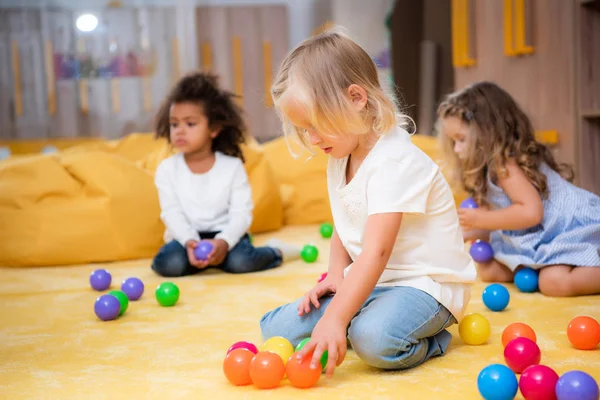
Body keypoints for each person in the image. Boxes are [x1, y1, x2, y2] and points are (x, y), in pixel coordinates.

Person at [259, 29, 477, 378]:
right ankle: (359, 314)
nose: (312, 139)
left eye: (316, 125)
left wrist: (335, 318)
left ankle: (433, 340)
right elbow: (346, 224)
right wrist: (334, 275)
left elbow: (376, 251)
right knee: (276, 330)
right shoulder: (340, 156)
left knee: (373, 341)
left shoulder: (395, 160)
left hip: (425, 286)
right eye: (304, 130)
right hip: (373, 282)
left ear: (357, 97)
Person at [438, 81, 600, 297]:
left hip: (568, 230)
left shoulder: (505, 164)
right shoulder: (490, 167)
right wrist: (463, 231)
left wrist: (480, 220)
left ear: (487, 133)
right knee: (490, 271)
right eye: (453, 141)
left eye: (461, 139)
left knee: (554, 283)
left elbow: (531, 213)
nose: (456, 149)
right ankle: (539, 267)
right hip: (541, 235)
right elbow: (506, 218)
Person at [151, 72, 300, 277]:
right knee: (170, 264)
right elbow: (171, 213)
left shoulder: (232, 167)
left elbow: (241, 213)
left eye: (190, 124)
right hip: (186, 239)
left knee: (241, 262)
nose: (179, 131)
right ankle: (202, 259)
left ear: (214, 128)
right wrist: (191, 242)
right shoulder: (167, 169)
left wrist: (224, 241)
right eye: (174, 124)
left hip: (227, 235)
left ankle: (276, 251)